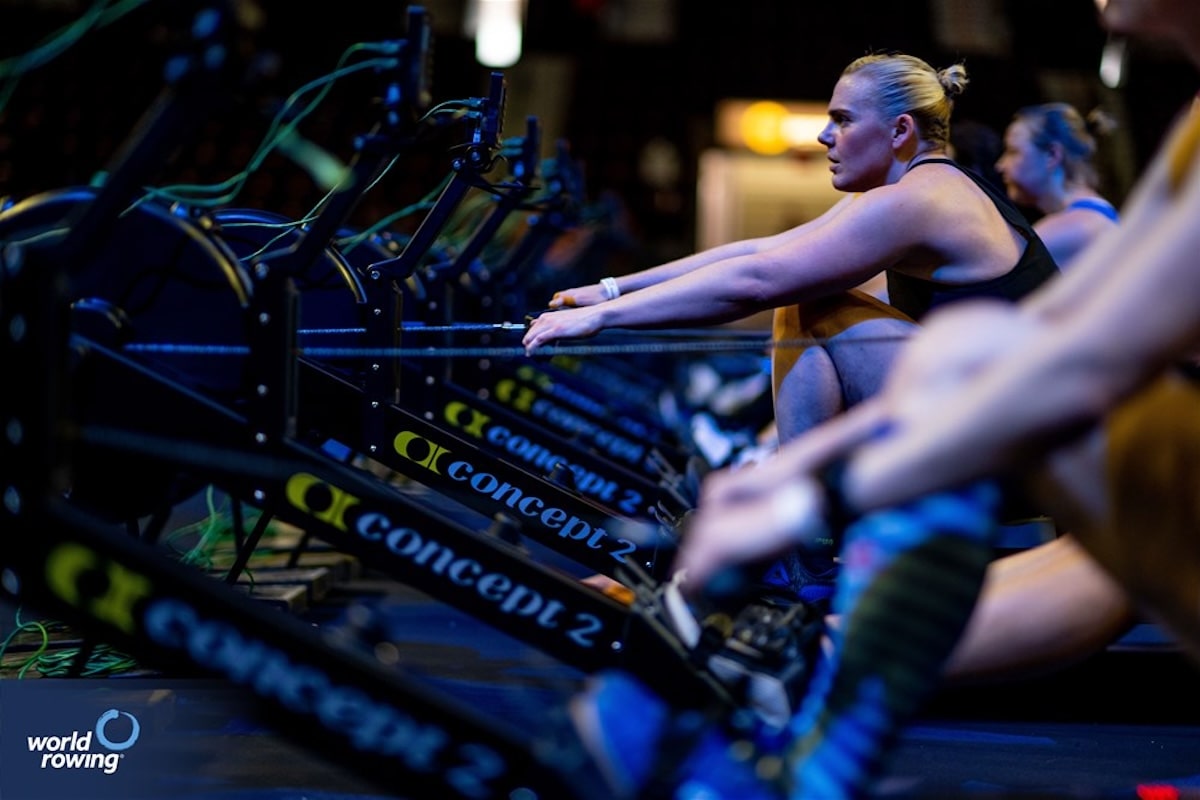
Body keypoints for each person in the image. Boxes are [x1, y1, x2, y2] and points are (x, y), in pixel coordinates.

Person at [569, 2, 1200, 797]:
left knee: (930, 341)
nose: (824, 136)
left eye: (841, 120)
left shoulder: (934, 196)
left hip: (1067, 445)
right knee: (897, 329)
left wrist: (805, 489)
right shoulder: (1185, 133)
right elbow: (764, 252)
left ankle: (800, 627)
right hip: (1088, 453)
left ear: (900, 131)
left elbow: (1069, 362)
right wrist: (610, 292)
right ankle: (803, 654)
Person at [996, 102, 1121, 269]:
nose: (1000, 165)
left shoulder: (1075, 228)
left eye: (1013, 151)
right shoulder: (1093, 214)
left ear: (1052, 155)